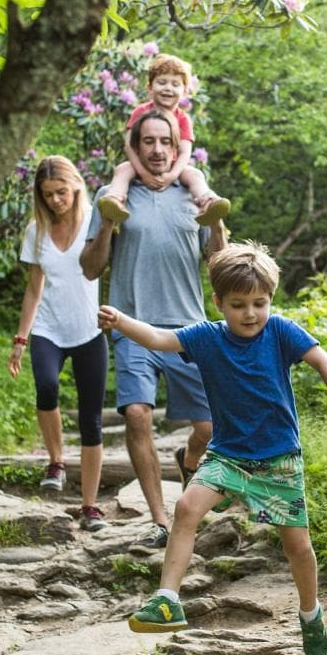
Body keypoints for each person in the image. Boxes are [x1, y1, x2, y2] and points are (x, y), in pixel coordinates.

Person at [97, 240, 327, 655]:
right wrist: (121, 321)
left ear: (270, 301)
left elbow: (323, 361)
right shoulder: (206, 337)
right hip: (227, 455)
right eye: (239, 304)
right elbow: (159, 338)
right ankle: (167, 599)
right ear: (219, 302)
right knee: (186, 508)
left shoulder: (280, 331)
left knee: (297, 546)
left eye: (260, 303)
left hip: (278, 459)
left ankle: (310, 613)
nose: (251, 314)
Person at [80, 110, 228, 547]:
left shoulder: (194, 194)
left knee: (209, 427)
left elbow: (219, 265)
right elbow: (90, 268)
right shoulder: (114, 195)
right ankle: (161, 519)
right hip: (132, 323)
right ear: (136, 146)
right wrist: (108, 223)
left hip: (188, 330)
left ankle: (189, 460)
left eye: (166, 141)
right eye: (149, 141)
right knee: (138, 414)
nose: (158, 150)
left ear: (177, 146)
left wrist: (216, 225)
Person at [8, 156, 108, 530]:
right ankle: (56, 461)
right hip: (48, 328)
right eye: (48, 194)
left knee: (92, 420)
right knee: (46, 387)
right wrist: (21, 338)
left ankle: (91, 507)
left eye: (61, 192)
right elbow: (34, 288)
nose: (55, 200)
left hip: (88, 331)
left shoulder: (93, 226)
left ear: (76, 187)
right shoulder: (37, 231)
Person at [96, 52, 231, 226]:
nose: (168, 88)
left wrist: (171, 176)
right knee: (122, 169)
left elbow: (184, 152)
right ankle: (114, 200)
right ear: (150, 87)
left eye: (175, 84)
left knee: (195, 174)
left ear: (184, 91)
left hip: (174, 167)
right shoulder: (140, 112)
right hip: (142, 164)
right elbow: (129, 146)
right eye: (162, 82)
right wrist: (143, 174)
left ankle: (207, 202)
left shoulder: (182, 119)